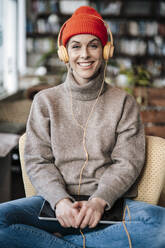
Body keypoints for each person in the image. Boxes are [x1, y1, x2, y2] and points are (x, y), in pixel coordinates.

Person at [0, 6, 165, 248]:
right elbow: (37, 159)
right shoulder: (45, 101)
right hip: (55, 207)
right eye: (76, 46)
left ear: (105, 50)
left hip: (109, 205)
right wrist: (60, 201)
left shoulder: (124, 102)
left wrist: (99, 200)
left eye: (93, 45)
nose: (85, 54)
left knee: (161, 226)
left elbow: (127, 162)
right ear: (65, 52)